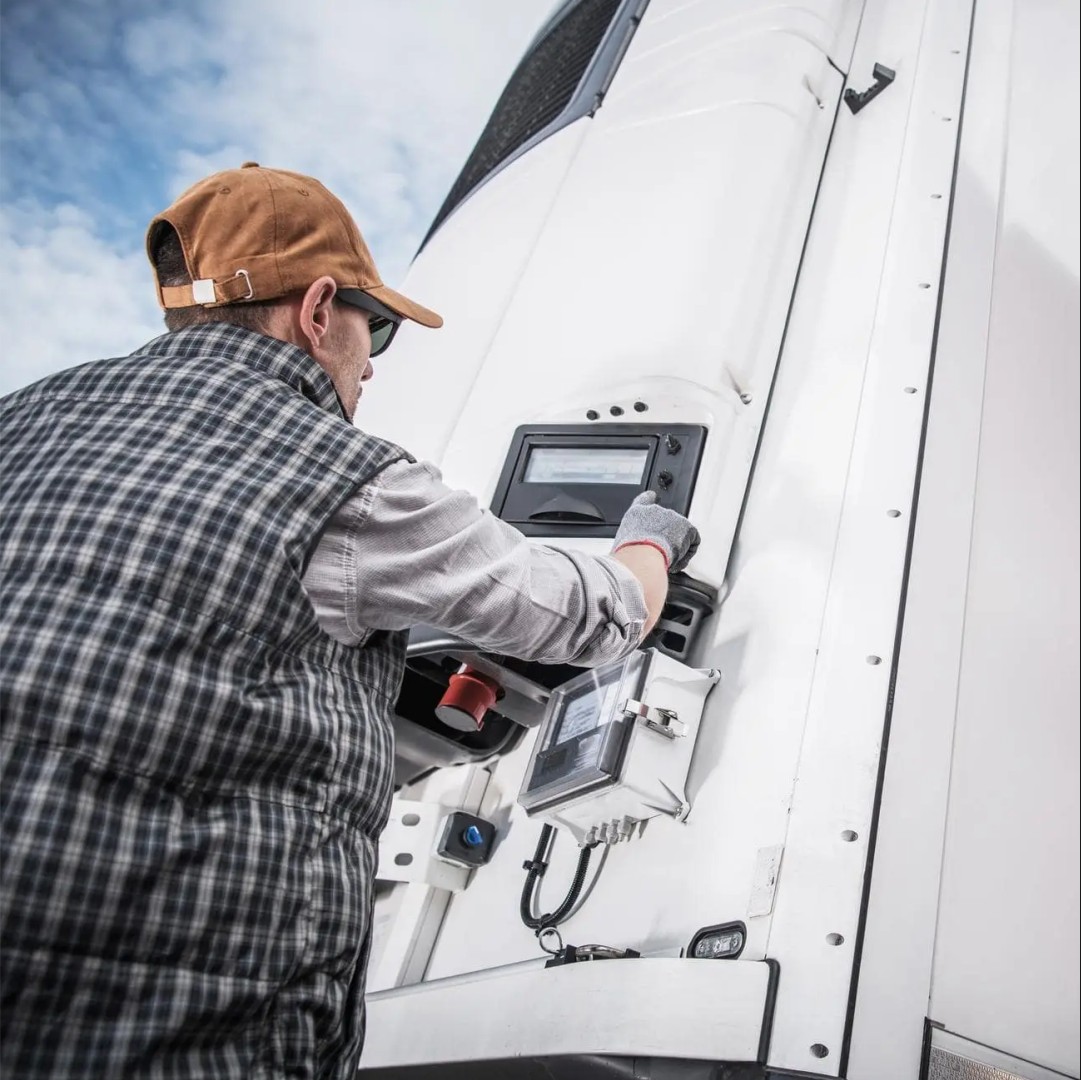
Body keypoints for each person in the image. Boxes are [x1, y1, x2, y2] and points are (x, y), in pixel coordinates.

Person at [0, 163, 699, 1079]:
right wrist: (649, 540)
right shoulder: (342, 475)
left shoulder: (22, 419)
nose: (369, 366)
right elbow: (590, 615)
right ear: (319, 309)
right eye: (379, 332)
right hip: (174, 1026)